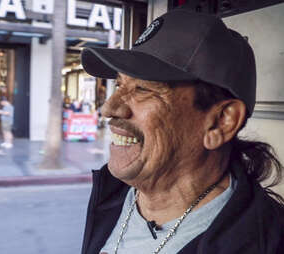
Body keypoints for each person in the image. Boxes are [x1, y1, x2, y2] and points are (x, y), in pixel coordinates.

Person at [80, 9, 284, 254]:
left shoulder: (265, 244)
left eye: (143, 89)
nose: (109, 108)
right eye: (119, 84)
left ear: (221, 121)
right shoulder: (113, 191)